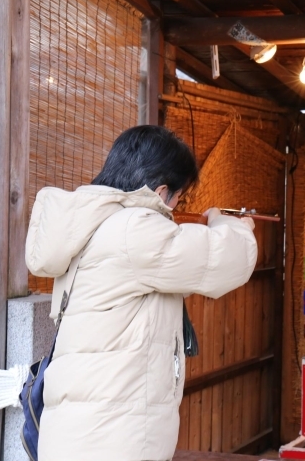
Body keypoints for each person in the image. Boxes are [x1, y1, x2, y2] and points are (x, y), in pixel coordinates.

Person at [25, 125, 257, 461]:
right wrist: (232, 225)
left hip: (79, 433)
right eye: (178, 198)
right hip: (112, 439)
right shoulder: (133, 229)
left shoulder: (93, 225)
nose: (176, 209)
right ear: (162, 192)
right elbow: (225, 260)